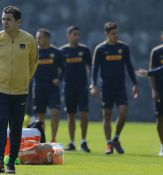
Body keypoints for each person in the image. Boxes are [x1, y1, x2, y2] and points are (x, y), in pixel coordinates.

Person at [0, 6, 38, 174]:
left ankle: (11, 164)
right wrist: (2, 79)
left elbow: (33, 64)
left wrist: (22, 80)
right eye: (3, 19)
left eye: (8, 19)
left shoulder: (29, 40)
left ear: (18, 21)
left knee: (16, 128)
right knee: (1, 123)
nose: (4, 22)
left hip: (20, 91)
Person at [90, 22, 139, 154]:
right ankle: (109, 144)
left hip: (120, 86)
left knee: (123, 112)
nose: (116, 35)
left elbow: (129, 66)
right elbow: (95, 69)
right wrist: (93, 85)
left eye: (117, 33)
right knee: (107, 115)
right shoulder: (100, 49)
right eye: (113, 33)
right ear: (106, 34)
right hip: (106, 87)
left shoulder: (123, 47)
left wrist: (135, 84)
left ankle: (116, 138)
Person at [59, 26, 91, 152]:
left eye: (78, 34)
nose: (77, 36)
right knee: (70, 115)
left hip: (82, 87)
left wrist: (92, 83)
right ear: (68, 36)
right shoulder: (62, 51)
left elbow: (90, 66)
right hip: (68, 87)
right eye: (74, 34)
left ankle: (83, 141)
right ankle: (72, 142)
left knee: (84, 114)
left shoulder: (84, 50)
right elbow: (60, 70)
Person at [33, 28, 64, 143]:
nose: (37, 40)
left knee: (55, 112)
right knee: (40, 116)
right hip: (39, 88)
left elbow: (64, 69)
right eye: (37, 38)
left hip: (52, 89)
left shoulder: (56, 53)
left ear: (47, 38)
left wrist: (59, 79)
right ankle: (42, 139)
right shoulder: (35, 52)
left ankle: (53, 139)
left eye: (39, 38)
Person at [136, 32, 163, 156]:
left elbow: (154, 71)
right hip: (160, 90)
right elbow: (153, 70)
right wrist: (154, 89)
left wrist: (148, 73)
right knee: (160, 119)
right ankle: (162, 146)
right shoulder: (156, 52)